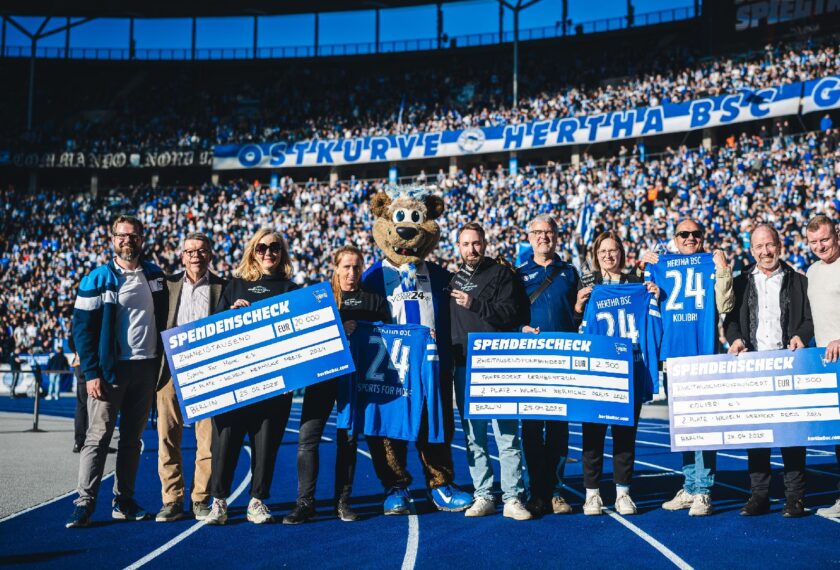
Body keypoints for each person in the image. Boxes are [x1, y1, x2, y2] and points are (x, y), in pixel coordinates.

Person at [66, 215, 168, 528]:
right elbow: (82, 331)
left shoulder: (154, 274)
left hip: (146, 367)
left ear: (142, 238)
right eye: (122, 236)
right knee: (97, 438)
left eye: (133, 235)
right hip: (111, 371)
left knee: (132, 440)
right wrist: (92, 372)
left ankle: (123, 500)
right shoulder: (97, 278)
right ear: (113, 239)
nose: (128, 241)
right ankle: (84, 502)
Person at [283, 245, 390, 524]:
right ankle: (304, 503)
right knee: (308, 438)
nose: (352, 272)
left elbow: (391, 335)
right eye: (346, 266)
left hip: (357, 380)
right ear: (335, 267)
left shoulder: (374, 300)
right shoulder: (321, 297)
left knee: (349, 439)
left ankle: (343, 502)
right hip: (322, 377)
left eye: (357, 267)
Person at [642, 218, 734, 516]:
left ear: (703, 237)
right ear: (675, 238)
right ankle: (691, 485)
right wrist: (645, 268)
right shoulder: (661, 264)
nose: (690, 238)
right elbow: (644, 296)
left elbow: (726, 305)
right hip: (674, 357)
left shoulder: (712, 261)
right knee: (682, 426)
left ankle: (703, 490)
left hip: (703, 353)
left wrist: (722, 269)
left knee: (703, 424)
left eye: (695, 234)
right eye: (684, 234)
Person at [204, 229, 297, 525]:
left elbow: (298, 337)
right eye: (262, 248)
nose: (268, 253)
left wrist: (292, 377)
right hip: (236, 382)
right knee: (226, 441)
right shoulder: (235, 285)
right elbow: (212, 333)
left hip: (274, 383)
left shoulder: (290, 289)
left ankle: (257, 501)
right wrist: (230, 315)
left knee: (266, 443)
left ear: (282, 253)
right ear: (252, 251)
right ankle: (219, 501)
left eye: (275, 248)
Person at [724, 224, 813, 518]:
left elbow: (809, 319)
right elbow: (730, 321)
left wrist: (801, 335)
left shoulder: (799, 282)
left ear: (779, 245)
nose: (765, 252)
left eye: (769, 245)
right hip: (754, 365)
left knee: (792, 434)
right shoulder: (740, 283)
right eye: (759, 247)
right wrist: (735, 338)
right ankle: (759, 495)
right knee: (757, 435)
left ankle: (795, 497)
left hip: (789, 363)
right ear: (752, 251)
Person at [449, 223, 532, 520]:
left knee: (507, 434)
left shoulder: (500, 274)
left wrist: (475, 304)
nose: (472, 249)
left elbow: (510, 313)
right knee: (474, 436)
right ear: (458, 246)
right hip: (464, 365)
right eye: (466, 244)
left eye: (476, 243)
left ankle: (512, 497)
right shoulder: (453, 279)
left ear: (485, 243)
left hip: (497, 362)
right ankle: (483, 494)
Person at [574, 230, 660, 516]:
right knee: (593, 434)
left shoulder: (637, 284)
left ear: (622, 253)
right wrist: (578, 308)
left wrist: (655, 295)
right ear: (596, 258)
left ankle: (623, 492)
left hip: (629, 371)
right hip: (598, 373)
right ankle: (592, 494)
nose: (608, 256)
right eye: (602, 252)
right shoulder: (590, 288)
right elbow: (577, 327)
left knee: (626, 435)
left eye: (613, 251)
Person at [155, 233, 227, 523]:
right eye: (189, 251)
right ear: (181, 257)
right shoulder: (168, 285)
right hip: (170, 369)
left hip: (207, 371)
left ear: (210, 255)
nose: (195, 256)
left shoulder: (224, 287)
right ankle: (172, 499)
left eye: (200, 250)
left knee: (207, 439)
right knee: (167, 436)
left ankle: (200, 498)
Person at [515, 214, 578, 516]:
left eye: (549, 232)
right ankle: (534, 492)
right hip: (530, 363)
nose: (543, 237)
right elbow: (509, 317)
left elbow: (580, 316)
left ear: (556, 236)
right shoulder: (518, 274)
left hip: (562, 362)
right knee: (530, 429)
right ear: (529, 237)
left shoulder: (569, 272)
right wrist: (519, 329)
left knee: (558, 430)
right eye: (537, 232)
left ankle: (554, 491)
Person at [805, 214, 840, 518]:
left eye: (825, 239)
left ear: (836, 235)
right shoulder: (812, 271)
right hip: (827, 364)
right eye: (814, 242)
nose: (820, 246)